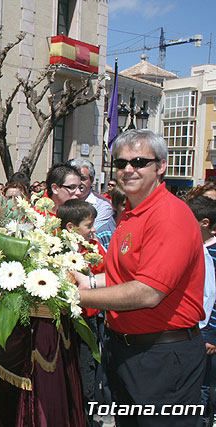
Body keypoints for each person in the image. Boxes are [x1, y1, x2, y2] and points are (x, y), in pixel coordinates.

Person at [74, 130, 206, 427]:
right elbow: (126, 276)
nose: (128, 169)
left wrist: (76, 296)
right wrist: (88, 282)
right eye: (121, 163)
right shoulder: (132, 213)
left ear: (161, 166)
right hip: (128, 351)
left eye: (139, 161)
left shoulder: (169, 215)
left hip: (162, 357)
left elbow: (147, 292)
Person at [57, 199, 107, 426]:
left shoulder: (94, 249)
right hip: (65, 323)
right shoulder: (56, 249)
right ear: (70, 227)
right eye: (88, 225)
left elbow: (105, 275)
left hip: (89, 321)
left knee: (88, 376)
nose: (93, 230)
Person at [186, 196, 216, 426]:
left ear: (205, 223)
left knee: (204, 387)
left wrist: (212, 334)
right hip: (186, 328)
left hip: (206, 331)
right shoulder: (188, 246)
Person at [68, 159, 115, 233]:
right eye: (76, 178)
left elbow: (92, 232)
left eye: (83, 179)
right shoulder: (63, 198)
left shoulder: (103, 205)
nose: (79, 182)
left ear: (91, 180)